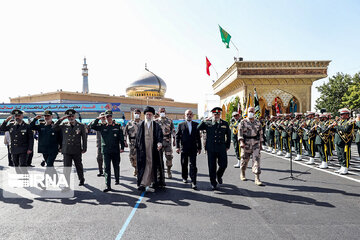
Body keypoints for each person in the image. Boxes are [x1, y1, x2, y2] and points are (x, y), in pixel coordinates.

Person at [90, 110, 125, 192]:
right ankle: (108, 185)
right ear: (105, 117)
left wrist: (122, 147)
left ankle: (117, 179)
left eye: (110, 116)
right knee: (106, 168)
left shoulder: (117, 125)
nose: (109, 118)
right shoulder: (102, 126)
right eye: (107, 117)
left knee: (116, 165)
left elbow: (121, 137)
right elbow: (92, 126)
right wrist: (98, 118)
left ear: (112, 117)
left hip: (115, 150)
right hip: (106, 150)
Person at [198, 107, 231, 190]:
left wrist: (227, 146)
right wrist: (204, 120)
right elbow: (198, 128)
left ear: (220, 114)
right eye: (215, 114)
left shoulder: (225, 123)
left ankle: (219, 175)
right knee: (212, 166)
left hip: (221, 147)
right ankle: (213, 182)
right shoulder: (208, 123)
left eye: (218, 114)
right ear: (212, 114)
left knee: (224, 164)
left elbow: (229, 135)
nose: (216, 115)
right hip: (211, 148)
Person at [53, 109, 87, 187]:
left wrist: (84, 148)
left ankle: (81, 179)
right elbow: (54, 127)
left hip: (76, 149)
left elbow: (84, 138)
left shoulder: (81, 125)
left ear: (75, 116)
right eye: (69, 116)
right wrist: (61, 119)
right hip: (66, 150)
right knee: (66, 168)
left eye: (72, 116)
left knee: (78, 166)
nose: (71, 118)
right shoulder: (64, 125)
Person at [136, 106, 164, 191]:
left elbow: (159, 135)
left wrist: (159, 143)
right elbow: (138, 138)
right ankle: (144, 183)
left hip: (153, 148)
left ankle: (149, 182)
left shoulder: (156, 125)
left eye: (150, 114)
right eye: (147, 114)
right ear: (145, 115)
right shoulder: (141, 125)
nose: (148, 116)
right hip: (143, 149)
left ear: (152, 115)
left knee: (152, 164)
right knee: (146, 164)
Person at [175, 109, 202, 190]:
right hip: (184, 148)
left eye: (190, 114)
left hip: (193, 148)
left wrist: (199, 147)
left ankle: (193, 181)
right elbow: (177, 136)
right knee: (184, 163)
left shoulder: (196, 125)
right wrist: (177, 147)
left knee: (193, 165)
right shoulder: (181, 125)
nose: (189, 115)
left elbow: (198, 137)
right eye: (187, 114)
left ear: (192, 115)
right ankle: (184, 176)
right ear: (185, 115)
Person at [238, 107, 264, 186]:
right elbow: (240, 133)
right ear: (247, 112)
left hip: (255, 143)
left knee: (256, 160)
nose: (250, 113)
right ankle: (242, 173)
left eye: (252, 111)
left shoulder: (258, 122)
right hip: (246, 143)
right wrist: (241, 142)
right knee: (244, 160)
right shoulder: (243, 122)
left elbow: (260, 134)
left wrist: (260, 144)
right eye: (249, 111)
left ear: (254, 112)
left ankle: (257, 178)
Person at [332, 108, 355, 175]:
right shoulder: (340, 121)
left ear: (347, 114)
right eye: (340, 114)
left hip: (345, 141)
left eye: (342, 114)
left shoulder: (350, 121)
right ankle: (342, 167)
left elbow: (346, 129)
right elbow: (337, 130)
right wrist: (332, 128)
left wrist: (337, 126)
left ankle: (345, 168)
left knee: (345, 155)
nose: (340, 115)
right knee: (339, 155)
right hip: (338, 140)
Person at [155, 107, 176, 179]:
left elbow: (173, 131)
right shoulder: (156, 121)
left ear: (165, 112)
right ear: (158, 112)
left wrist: (174, 140)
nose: (162, 112)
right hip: (159, 142)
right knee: (158, 158)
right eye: (161, 111)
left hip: (167, 142)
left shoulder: (169, 121)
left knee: (169, 157)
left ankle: (169, 171)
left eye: (163, 111)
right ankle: (159, 173)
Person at [124, 109, 142, 176]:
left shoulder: (142, 123)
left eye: (138, 113)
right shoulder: (129, 123)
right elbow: (125, 133)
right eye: (135, 113)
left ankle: (139, 170)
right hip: (132, 143)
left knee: (140, 157)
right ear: (133, 114)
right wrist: (124, 141)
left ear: (140, 114)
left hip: (140, 143)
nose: (136, 114)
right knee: (132, 157)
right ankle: (135, 167)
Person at [94, 113, 106, 177]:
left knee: (106, 159)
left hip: (106, 144)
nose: (103, 118)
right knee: (99, 158)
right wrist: (97, 119)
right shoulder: (97, 125)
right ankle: (100, 171)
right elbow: (90, 126)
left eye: (104, 117)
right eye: (102, 117)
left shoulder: (107, 124)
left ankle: (106, 171)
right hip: (99, 144)